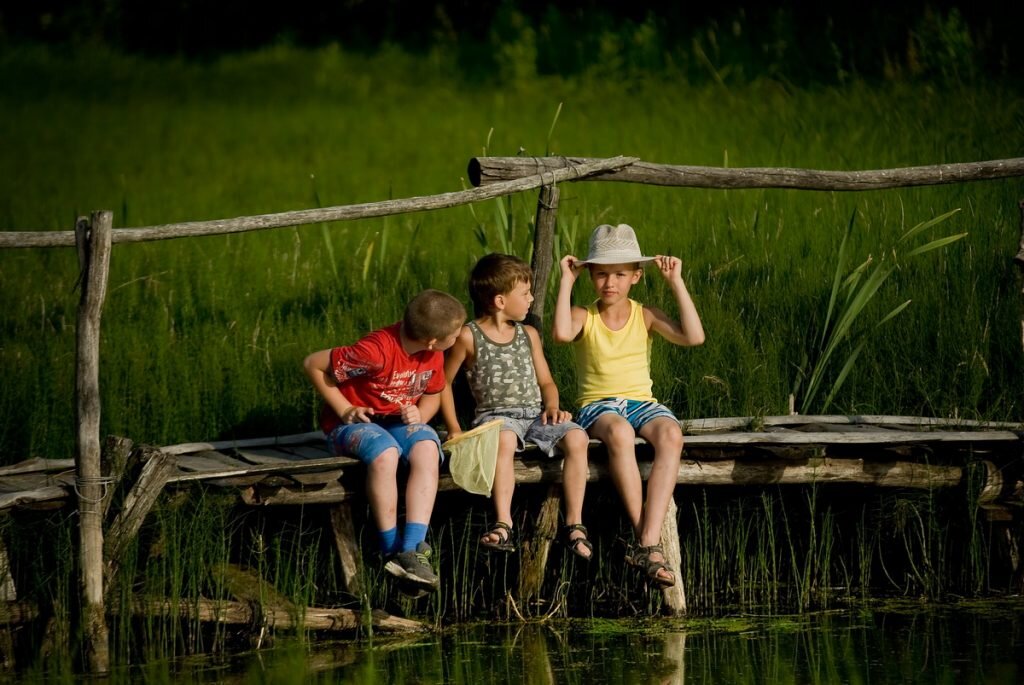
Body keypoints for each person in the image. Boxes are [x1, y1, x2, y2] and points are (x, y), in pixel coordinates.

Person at [553, 224, 705, 588]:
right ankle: (648, 545)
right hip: (598, 406)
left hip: (641, 403)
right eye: (602, 273)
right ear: (589, 274)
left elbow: (694, 337)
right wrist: (565, 281)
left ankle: (647, 542)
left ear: (636, 276)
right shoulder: (583, 315)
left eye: (620, 274)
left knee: (670, 433)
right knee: (619, 433)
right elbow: (560, 334)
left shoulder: (645, 314)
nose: (610, 283)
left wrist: (675, 283)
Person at [303, 289, 466, 595]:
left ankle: (413, 551)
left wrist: (421, 413)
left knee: (428, 449)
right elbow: (313, 363)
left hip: (396, 423)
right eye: (455, 335)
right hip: (351, 425)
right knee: (385, 453)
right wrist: (345, 409)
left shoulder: (434, 353)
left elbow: (433, 392)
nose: (457, 339)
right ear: (432, 339)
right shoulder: (374, 351)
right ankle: (389, 549)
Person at [440, 254, 593, 560]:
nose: (531, 299)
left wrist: (553, 406)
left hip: (535, 416)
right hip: (496, 419)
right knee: (505, 440)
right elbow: (441, 383)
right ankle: (503, 523)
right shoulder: (469, 337)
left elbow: (547, 381)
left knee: (577, 438)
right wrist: (455, 428)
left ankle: (574, 524)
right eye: (524, 294)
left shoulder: (528, 334)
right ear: (499, 300)